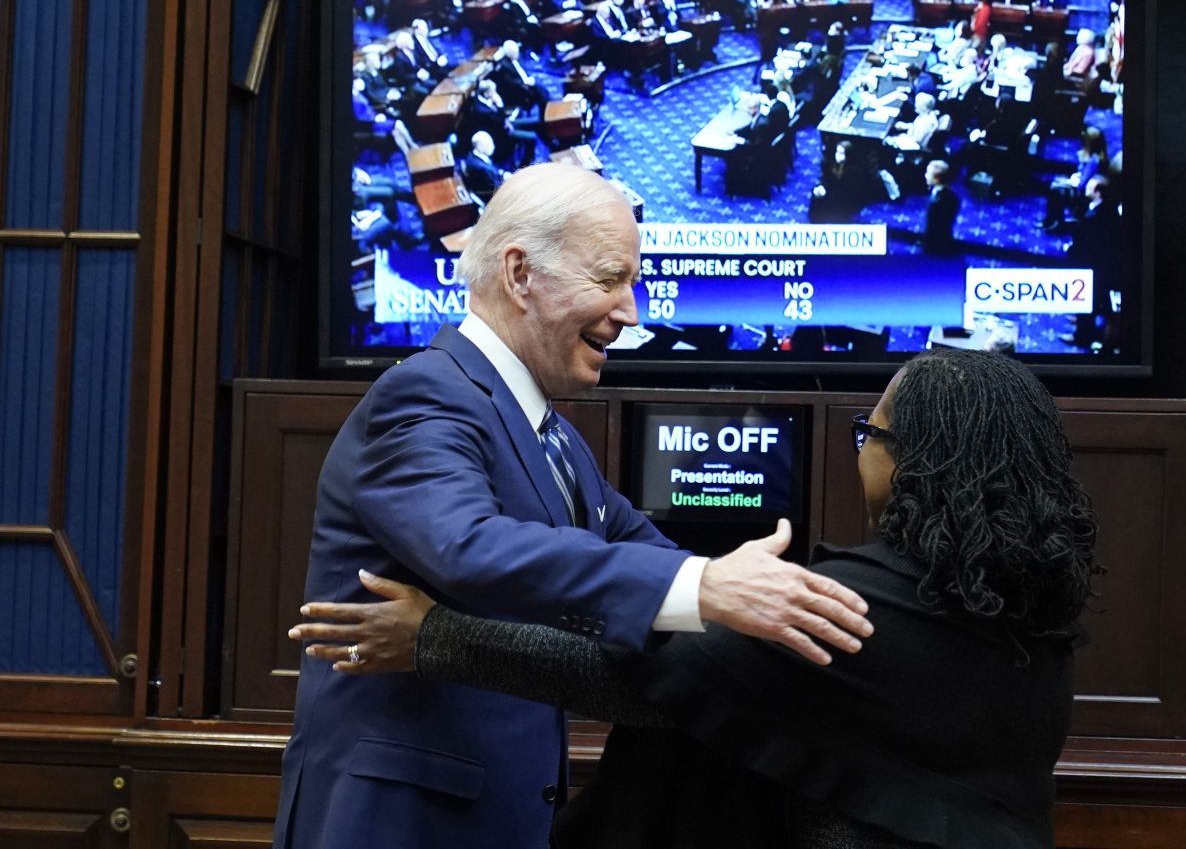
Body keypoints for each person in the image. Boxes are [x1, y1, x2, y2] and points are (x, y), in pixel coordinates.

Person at [275, 164, 875, 849]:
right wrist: (705, 585)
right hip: (400, 822)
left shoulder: (550, 433)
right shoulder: (424, 395)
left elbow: (639, 553)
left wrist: (761, 603)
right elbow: (467, 546)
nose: (631, 310)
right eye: (610, 278)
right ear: (521, 273)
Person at [292, 347, 1099, 849]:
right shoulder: (1031, 617)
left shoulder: (852, 612)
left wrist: (434, 635)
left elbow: (643, 683)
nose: (864, 458)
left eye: (870, 436)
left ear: (914, 462)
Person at [922, 158, 961, 252]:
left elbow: (937, 226)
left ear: (936, 179)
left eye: (928, 173)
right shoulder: (946, 194)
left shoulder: (942, 200)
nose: (925, 175)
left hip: (938, 243)